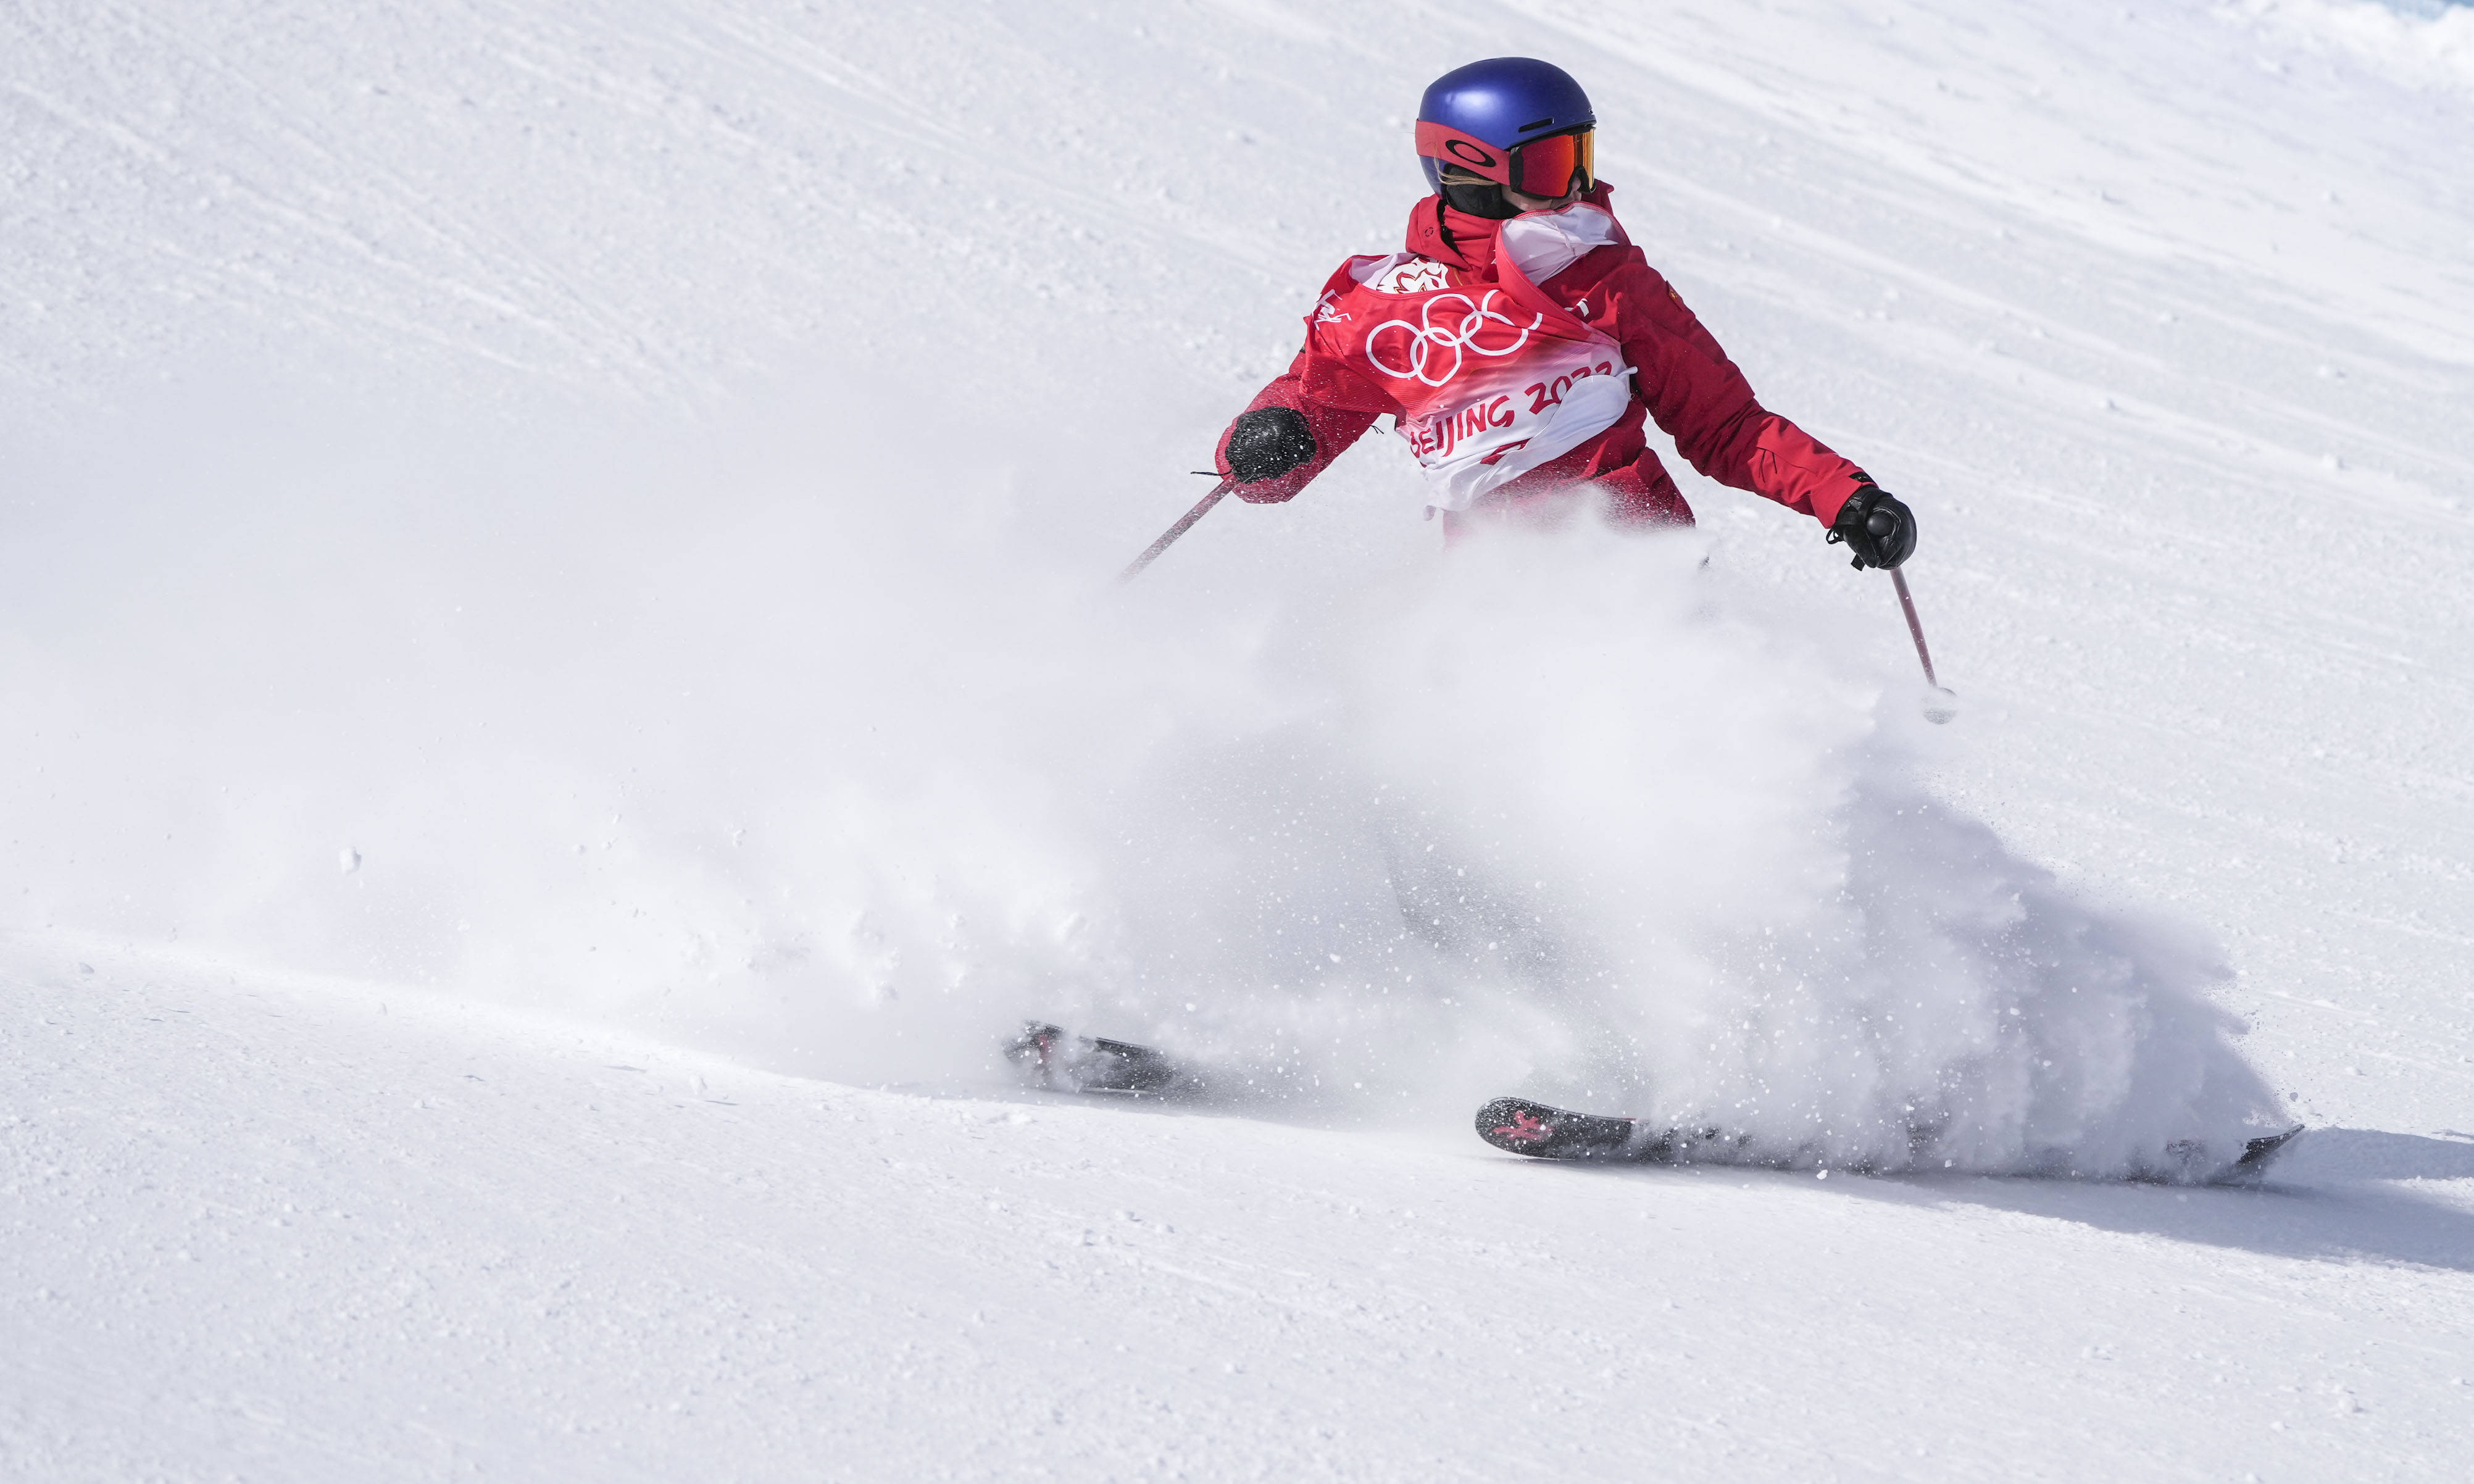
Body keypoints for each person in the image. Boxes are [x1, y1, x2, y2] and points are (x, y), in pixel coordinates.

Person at [1212, 57, 1916, 569]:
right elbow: (1313, 409)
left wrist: (1841, 496)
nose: (1577, 186)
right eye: (1552, 165)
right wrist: (1272, 436)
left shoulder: (1607, 279)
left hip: (1638, 559)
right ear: (1469, 168)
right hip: (1497, 583)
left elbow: (1723, 423)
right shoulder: (1390, 304)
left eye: (1581, 157)